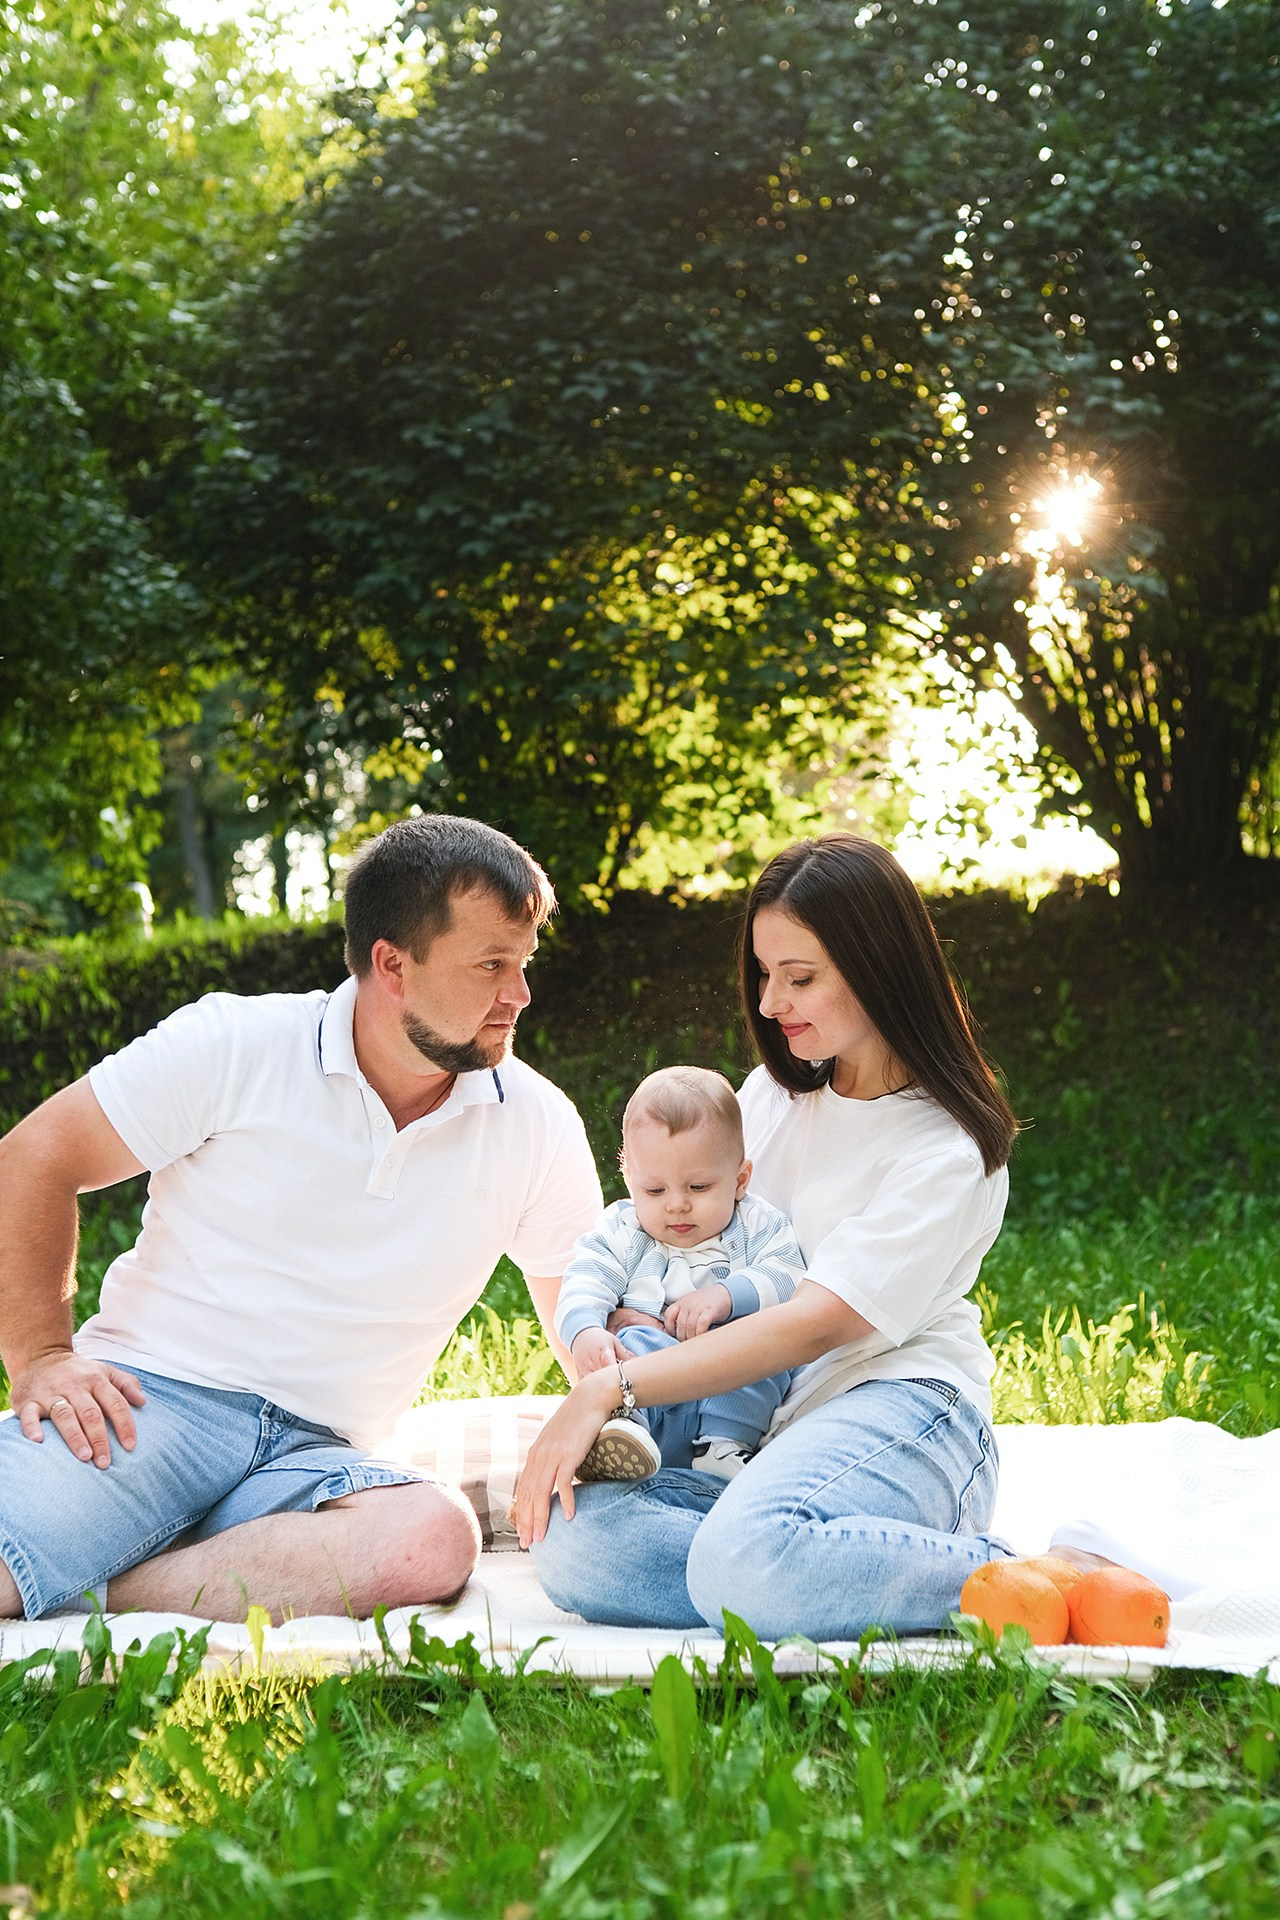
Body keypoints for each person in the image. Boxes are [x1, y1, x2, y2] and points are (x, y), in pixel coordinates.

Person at [0, 815, 602, 1623]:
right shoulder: (235, 1043)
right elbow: (35, 1156)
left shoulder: (539, 1122)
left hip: (322, 1457)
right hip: (152, 1408)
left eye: (523, 964)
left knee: (430, 1539)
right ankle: (129, 1560)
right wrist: (40, 1355)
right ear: (392, 964)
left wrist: (628, 1405)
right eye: (492, 965)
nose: (519, 994)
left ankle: (103, 1590)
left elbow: (583, 1309)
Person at [516, 833, 1021, 1641]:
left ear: (878, 964)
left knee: (741, 1564)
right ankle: (797, 1566)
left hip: (904, 1409)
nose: (768, 1002)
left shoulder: (944, 1148)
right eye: (763, 973)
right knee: (576, 1546)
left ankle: (1013, 1576)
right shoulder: (765, 1101)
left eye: (801, 977)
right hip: (761, 1438)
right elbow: (670, 1236)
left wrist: (614, 1390)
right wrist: (618, 1323)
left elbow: (815, 1323)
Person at [554, 1065, 805, 1483]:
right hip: (652, 1391)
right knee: (630, 1340)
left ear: (740, 1179)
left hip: (731, 1382)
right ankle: (625, 1433)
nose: (677, 1205)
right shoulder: (624, 1229)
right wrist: (585, 1332)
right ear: (629, 1180)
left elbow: (789, 1275)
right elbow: (585, 1277)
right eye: (655, 1190)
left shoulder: (757, 1224)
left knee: (767, 1346)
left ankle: (724, 1446)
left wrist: (726, 1296)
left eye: (699, 1188)